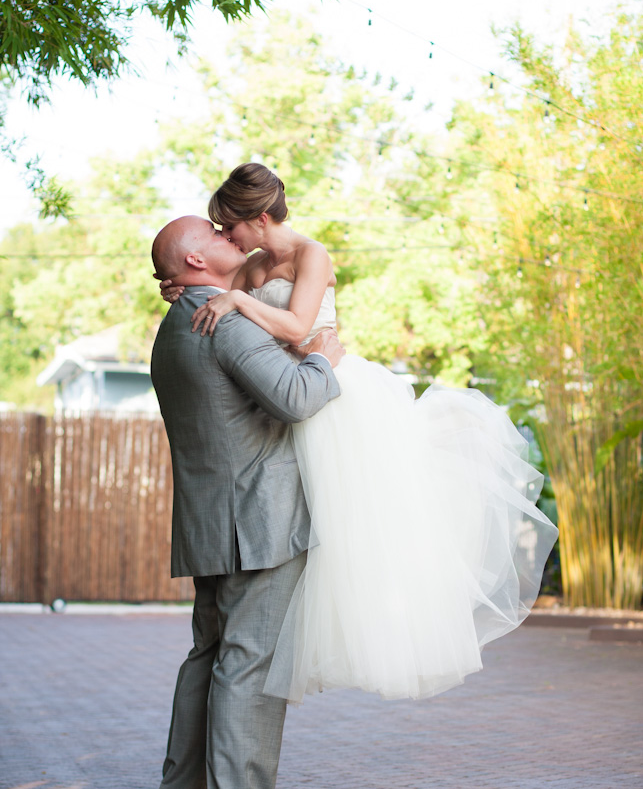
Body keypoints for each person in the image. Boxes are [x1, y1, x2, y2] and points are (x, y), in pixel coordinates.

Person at [161, 163, 558, 705]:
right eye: (216, 230)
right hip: (285, 392)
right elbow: (210, 289)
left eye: (229, 225)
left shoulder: (311, 254)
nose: (225, 235)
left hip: (327, 381)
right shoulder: (251, 266)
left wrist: (237, 301)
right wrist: (182, 283)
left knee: (358, 517)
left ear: (259, 219)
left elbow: (298, 328)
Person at [149, 214, 344, 789]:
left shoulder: (178, 324)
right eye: (210, 232)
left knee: (209, 655)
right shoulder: (223, 322)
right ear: (194, 262)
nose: (224, 231)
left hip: (212, 519)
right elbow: (293, 396)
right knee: (249, 664)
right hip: (258, 521)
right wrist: (322, 359)